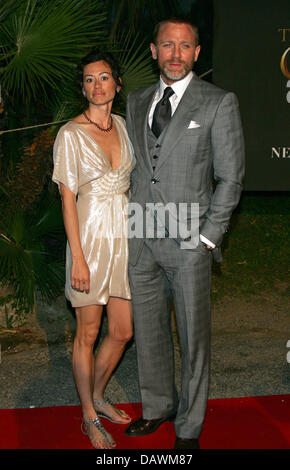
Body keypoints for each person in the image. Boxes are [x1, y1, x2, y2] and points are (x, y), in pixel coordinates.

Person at [125, 18, 245, 449]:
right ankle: (158, 407)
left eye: (185, 46)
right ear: (154, 51)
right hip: (141, 239)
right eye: (167, 45)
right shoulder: (136, 101)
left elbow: (230, 178)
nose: (176, 54)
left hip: (190, 242)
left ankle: (189, 428)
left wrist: (209, 238)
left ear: (197, 53)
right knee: (149, 332)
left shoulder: (217, 102)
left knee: (194, 339)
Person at [52, 50, 135, 449]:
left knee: (122, 330)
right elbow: (67, 201)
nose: (97, 85)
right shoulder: (70, 134)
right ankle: (88, 415)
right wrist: (78, 259)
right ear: (82, 86)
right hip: (89, 241)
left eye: (104, 77)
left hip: (125, 239)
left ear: (117, 84)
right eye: (89, 79)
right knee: (87, 332)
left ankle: (98, 395)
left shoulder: (122, 124)